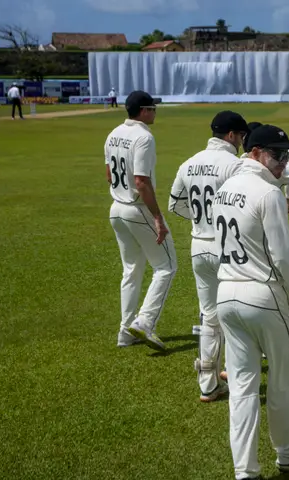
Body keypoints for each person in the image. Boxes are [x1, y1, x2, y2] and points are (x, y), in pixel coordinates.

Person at [214, 125, 289, 480]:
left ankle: (245, 471)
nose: (284, 163)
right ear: (256, 152)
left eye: (287, 156)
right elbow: (284, 254)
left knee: (242, 385)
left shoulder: (225, 188)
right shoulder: (268, 193)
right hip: (264, 293)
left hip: (226, 292)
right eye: (278, 155)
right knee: (282, 378)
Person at [168, 111, 249, 403]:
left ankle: (208, 383)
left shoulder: (188, 163)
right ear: (231, 136)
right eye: (240, 136)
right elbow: (244, 205)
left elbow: (175, 205)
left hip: (198, 245)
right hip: (227, 246)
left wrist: (202, 221)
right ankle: (236, 375)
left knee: (208, 314)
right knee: (235, 311)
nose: (242, 141)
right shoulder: (236, 165)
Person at [105, 90, 175, 351]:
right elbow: (141, 181)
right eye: (153, 108)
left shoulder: (113, 133)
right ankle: (144, 323)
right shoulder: (144, 137)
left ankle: (125, 333)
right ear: (144, 111)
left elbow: (109, 175)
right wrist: (157, 217)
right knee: (166, 267)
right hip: (137, 208)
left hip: (116, 208)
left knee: (131, 271)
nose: (155, 112)